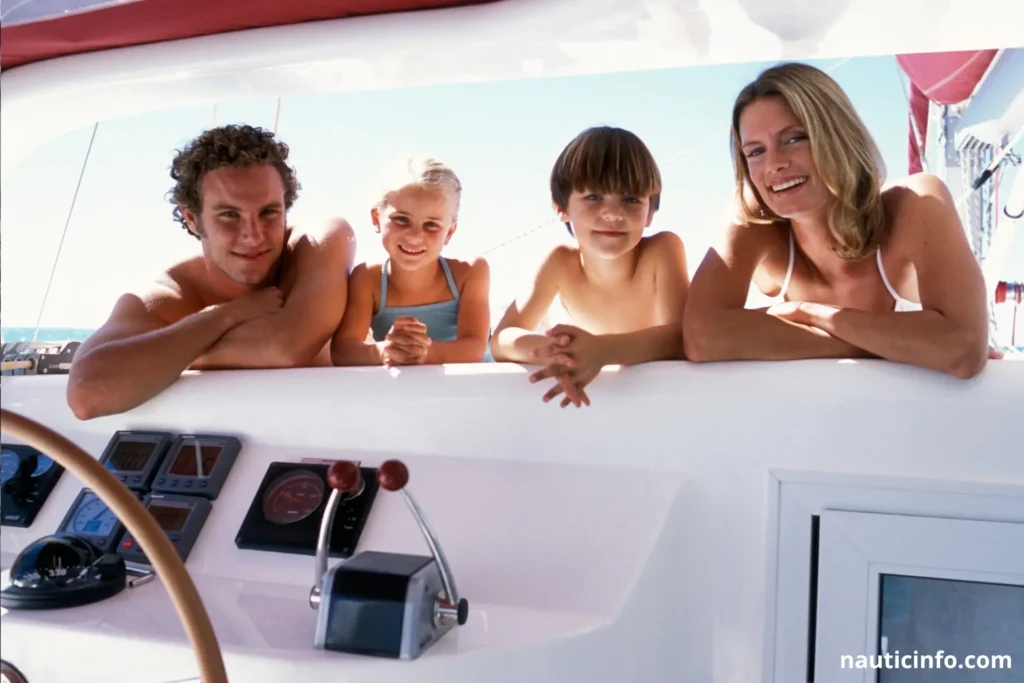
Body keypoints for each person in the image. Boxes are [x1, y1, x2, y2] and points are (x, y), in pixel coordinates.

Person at [682, 62, 995, 379]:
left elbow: (963, 349)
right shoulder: (754, 219)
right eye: (755, 151)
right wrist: (902, 345)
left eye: (794, 139)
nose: (774, 164)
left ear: (838, 136)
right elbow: (701, 337)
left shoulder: (917, 203)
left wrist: (810, 313)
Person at [66, 124, 356, 420]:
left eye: (269, 212)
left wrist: (164, 356)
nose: (253, 236)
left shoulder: (317, 242)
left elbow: (286, 346)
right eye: (229, 215)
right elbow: (87, 393)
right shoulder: (168, 294)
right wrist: (223, 316)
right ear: (192, 219)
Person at [490, 126, 690, 408]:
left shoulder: (662, 250)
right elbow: (501, 339)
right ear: (561, 208)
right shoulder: (560, 263)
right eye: (594, 197)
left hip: (662, 402)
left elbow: (681, 338)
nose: (613, 213)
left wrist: (602, 350)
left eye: (631, 199)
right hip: (598, 407)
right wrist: (549, 351)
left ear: (650, 213)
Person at [330, 156, 490, 366]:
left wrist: (423, 353)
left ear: (450, 232)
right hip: (406, 387)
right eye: (401, 220)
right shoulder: (367, 279)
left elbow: (475, 347)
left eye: (431, 225)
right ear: (377, 218)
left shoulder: (469, 272)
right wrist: (384, 352)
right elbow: (343, 351)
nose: (415, 236)